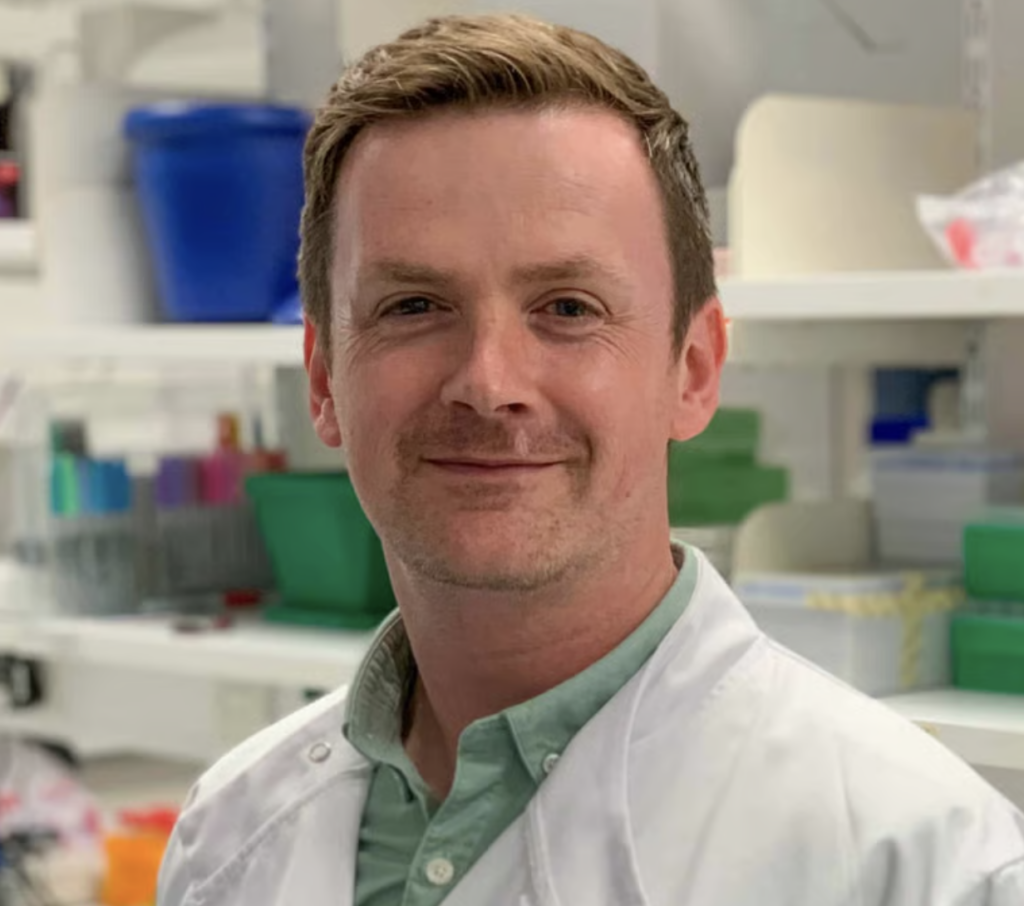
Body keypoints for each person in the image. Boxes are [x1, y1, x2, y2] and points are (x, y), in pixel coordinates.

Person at [157, 14, 1024, 906]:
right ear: (323, 379)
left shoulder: (925, 867)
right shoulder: (227, 837)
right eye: (413, 306)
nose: (488, 383)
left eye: (569, 308)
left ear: (694, 369)